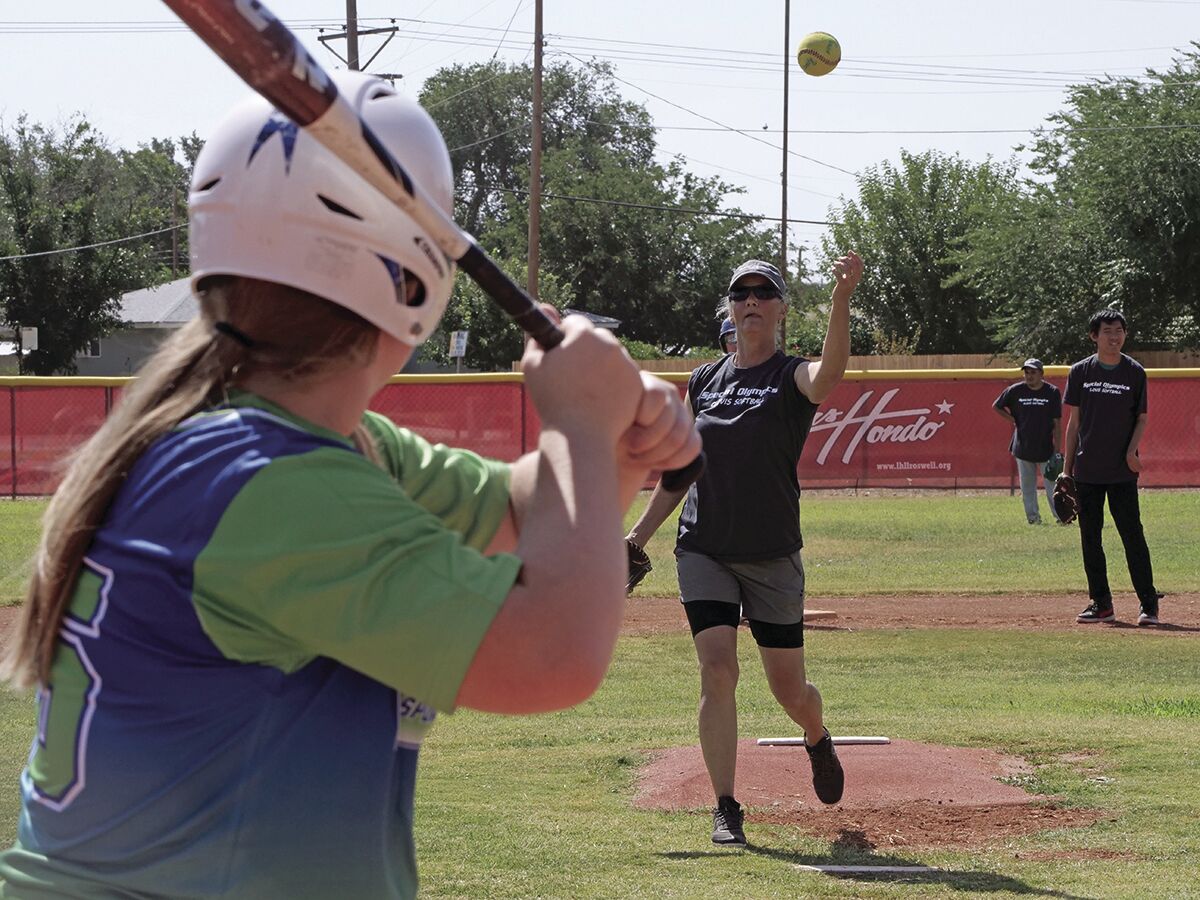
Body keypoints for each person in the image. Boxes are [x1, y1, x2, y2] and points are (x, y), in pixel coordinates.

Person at [0, 72, 699, 899]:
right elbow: (553, 656)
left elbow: (525, 513)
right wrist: (580, 424)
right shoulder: (270, 484)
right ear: (417, 279)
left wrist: (615, 447)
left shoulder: (294, 452)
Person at [625, 253, 863, 848]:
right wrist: (637, 537)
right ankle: (726, 805)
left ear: (781, 309)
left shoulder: (791, 376)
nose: (751, 300)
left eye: (763, 292)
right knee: (718, 670)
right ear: (731, 309)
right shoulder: (704, 381)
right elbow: (679, 470)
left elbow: (831, 373)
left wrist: (841, 296)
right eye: (741, 293)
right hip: (703, 547)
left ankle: (816, 735)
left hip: (771, 553)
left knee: (790, 691)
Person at [1061, 309, 1162, 626]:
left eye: (1119, 330)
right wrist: (1067, 470)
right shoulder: (1080, 372)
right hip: (1088, 469)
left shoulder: (1134, 372)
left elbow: (1142, 418)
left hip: (1121, 470)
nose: (1114, 336)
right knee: (1090, 538)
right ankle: (1101, 603)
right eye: (1107, 331)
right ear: (1094, 336)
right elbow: (1074, 422)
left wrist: (1132, 451)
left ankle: (1148, 604)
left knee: (1133, 536)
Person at [992, 358, 1063, 524]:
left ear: (1041, 374)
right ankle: (1033, 518)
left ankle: (1061, 517)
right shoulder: (1015, 390)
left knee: (1052, 485)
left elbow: (1057, 423)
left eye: (1033, 372)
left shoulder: (1051, 392)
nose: (1029, 376)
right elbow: (996, 406)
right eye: (1027, 372)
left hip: (1046, 448)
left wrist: (1057, 451)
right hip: (1023, 447)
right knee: (1027, 487)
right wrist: (1012, 419)